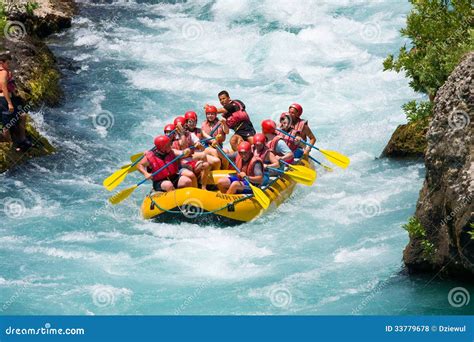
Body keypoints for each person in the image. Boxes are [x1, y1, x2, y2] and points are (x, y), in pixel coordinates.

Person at [0, 53, 31, 151]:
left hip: (10, 98)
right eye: (8, 63)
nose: (9, 65)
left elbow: (10, 85)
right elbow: (4, 87)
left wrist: (15, 93)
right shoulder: (3, 72)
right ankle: (11, 144)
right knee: (7, 124)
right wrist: (9, 103)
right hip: (4, 100)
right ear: (2, 62)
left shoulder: (6, 71)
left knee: (21, 115)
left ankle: (21, 139)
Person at [201, 105, 229, 169]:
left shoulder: (220, 123)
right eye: (208, 114)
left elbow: (227, 132)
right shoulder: (203, 124)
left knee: (226, 151)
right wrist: (213, 140)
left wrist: (224, 124)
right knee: (216, 153)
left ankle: (225, 169)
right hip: (207, 146)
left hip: (218, 146)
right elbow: (204, 134)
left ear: (216, 115)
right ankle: (218, 168)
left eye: (212, 114)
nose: (210, 116)